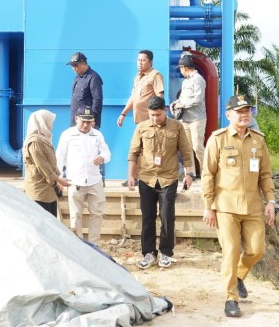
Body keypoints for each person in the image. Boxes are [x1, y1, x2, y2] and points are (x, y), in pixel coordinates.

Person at [202, 94, 276, 318]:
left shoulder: (258, 140)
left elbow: (265, 174)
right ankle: (231, 298)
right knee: (231, 251)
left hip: (253, 205)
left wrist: (271, 200)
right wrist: (208, 205)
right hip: (225, 206)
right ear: (228, 115)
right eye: (239, 111)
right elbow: (208, 174)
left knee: (257, 249)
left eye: (247, 111)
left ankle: (239, 276)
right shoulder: (218, 139)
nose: (244, 115)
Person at [127, 96, 194, 269]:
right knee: (147, 217)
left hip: (168, 178)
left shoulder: (177, 126)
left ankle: (165, 252)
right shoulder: (141, 127)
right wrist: (130, 175)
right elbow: (133, 152)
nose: (155, 118)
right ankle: (148, 253)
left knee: (167, 217)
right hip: (147, 178)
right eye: (152, 115)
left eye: (158, 114)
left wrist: (189, 174)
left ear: (165, 110)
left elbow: (186, 152)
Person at [55, 108, 111, 244]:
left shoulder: (97, 135)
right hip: (75, 181)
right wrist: (59, 179)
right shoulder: (67, 135)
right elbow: (59, 158)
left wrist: (102, 158)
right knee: (76, 215)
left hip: (94, 180)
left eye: (89, 122)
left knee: (97, 214)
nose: (86, 125)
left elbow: (107, 153)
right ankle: (78, 244)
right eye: (83, 121)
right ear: (76, 119)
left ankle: (94, 244)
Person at [23, 110, 70, 216]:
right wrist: (59, 180)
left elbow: (51, 163)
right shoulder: (35, 142)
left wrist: (57, 180)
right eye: (50, 123)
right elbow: (42, 166)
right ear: (43, 123)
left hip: (49, 189)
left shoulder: (44, 140)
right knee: (43, 225)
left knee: (51, 224)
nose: (52, 126)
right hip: (39, 191)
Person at [169, 54, 206, 177]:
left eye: (180, 69)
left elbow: (198, 99)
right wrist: (175, 104)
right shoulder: (185, 82)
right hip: (185, 120)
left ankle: (207, 173)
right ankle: (190, 174)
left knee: (197, 147)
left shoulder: (198, 79)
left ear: (184, 68)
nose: (180, 71)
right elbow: (182, 98)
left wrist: (182, 105)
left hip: (197, 119)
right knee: (187, 148)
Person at [117, 50, 165, 127]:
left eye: (143, 60)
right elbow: (133, 97)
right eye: (138, 60)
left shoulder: (155, 75)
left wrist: (156, 116)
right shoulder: (137, 77)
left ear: (150, 62)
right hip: (140, 121)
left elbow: (160, 97)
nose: (140, 63)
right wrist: (123, 114)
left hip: (151, 121)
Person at [67, 52, 104, 128]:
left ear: (83, 63)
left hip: (87, 124)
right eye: (72, 66)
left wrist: (93, 120)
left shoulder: (93, 78)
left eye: (75, 65)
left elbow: (98, 100)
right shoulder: (77, 77)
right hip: (76, 122)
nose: (74, 68)